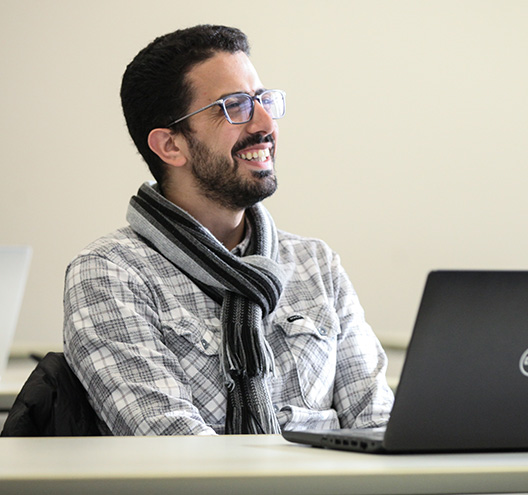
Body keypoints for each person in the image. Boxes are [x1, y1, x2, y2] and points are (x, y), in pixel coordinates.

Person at [63, 25, 394, 435]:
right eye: (233, 106)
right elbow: (172, 446)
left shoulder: (316, 265)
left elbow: (377, 425)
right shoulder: (110, 274)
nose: (264, 122)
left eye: (263, 100)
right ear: (171, 146)